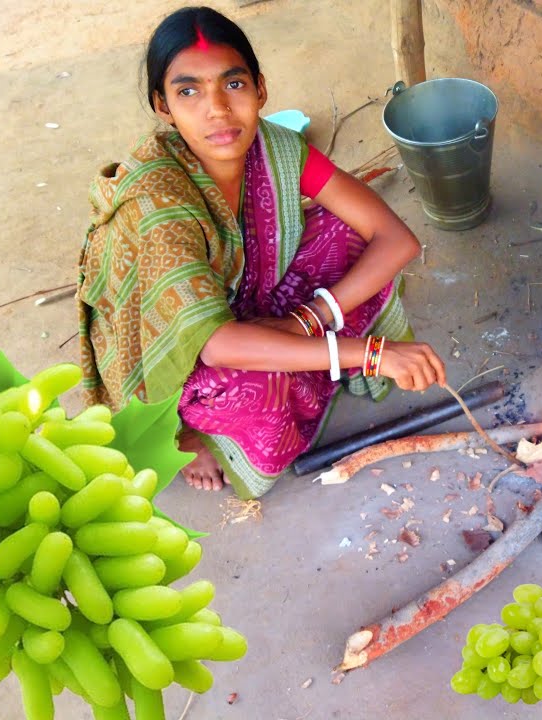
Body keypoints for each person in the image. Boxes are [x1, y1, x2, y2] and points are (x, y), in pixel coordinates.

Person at [77, 6, 445, 499]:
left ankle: (301, 350)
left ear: (260, 89)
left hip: (246, 304)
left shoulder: (274, 148)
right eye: (189, 92)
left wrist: (305, 321)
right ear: (163, 106)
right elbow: (215, 345)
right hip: (170, 344)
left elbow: (395, 239)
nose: (218, 111)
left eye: (233, 85)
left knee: (346, 234)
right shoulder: (158, 202)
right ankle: (188, 432)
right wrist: (372, 354)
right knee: (257, 388)